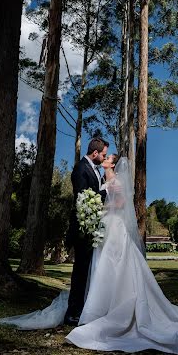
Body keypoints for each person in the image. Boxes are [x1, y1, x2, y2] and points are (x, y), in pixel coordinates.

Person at [0, 157, 178, 354]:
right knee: (104, 268)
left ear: (113, 167)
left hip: (112, 228)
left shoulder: (114, 183)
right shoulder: (107, 180)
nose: (106, 162)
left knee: (113, 267)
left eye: (109, 162)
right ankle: (98, 305)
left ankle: (108, 308)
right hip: (108, 229)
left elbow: (116, 205)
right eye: (105, 160)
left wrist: (99, 208)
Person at [63, 137, 109, 326]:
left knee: (86, 271)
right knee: (80, 272)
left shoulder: (94, 169)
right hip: (84, 228)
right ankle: (72, 313)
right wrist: (107, 192)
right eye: (103, 154)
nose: (104, 157)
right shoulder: (81, 169)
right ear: (95, 153)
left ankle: (83, 308)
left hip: (92, 227)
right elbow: (82, 198)